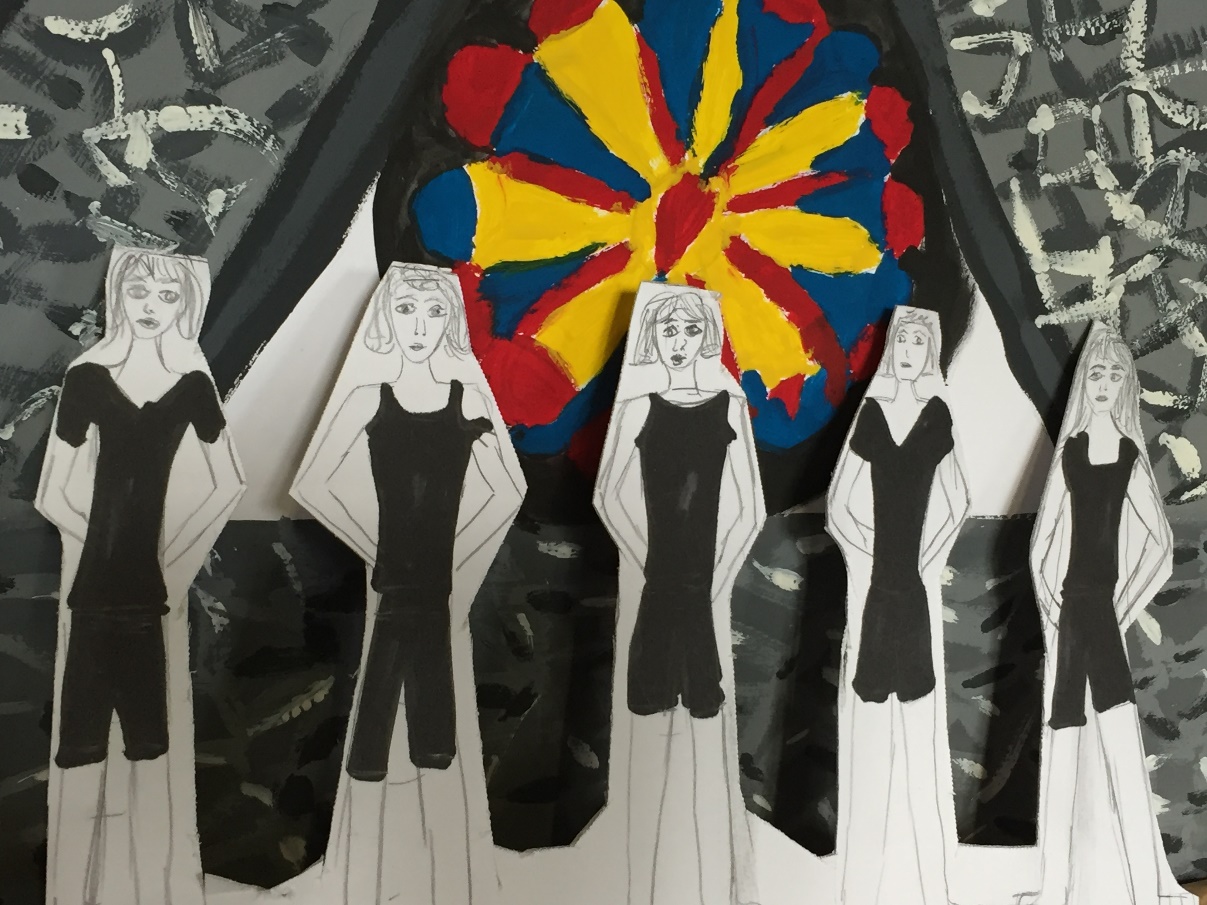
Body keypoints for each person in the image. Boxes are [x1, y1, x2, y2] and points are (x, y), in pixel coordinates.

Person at [291, 262, 525, 905]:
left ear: (450, 321)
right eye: (405, 311)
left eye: (432, 312)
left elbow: (506, 490)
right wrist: (370, 541)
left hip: (439, 580)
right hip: (392, 578)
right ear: (387, 320)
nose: (419, 326)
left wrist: (458, 547)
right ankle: (376, 810)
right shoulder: (371, 396)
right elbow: (315, 482)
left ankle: (432, 807)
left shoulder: (464, 398)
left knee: (430, 676)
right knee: (386, 671)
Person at [36, 247, 245, 905]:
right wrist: (102, 543)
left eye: (167, 295)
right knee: (80, 746)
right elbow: (54, 489)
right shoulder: (88, 377)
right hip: (94, 590)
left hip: (151, 594)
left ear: (187, 306)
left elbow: (227, 482)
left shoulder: (194, 386)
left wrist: (169, 552)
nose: (151, 306)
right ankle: (79, 883)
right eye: (139, 291)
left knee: (150, 747)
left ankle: (145, 881)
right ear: (118, 295)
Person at [594, 286, 763, 905]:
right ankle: (648, 876)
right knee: (650, 721)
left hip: (703, 588)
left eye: (691, 331)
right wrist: (649, 558)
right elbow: (610, 495)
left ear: (707, 336)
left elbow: (748, 507)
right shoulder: (636, 406)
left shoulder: (730, 406)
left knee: (704, 724)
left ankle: (707, 874)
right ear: (652, 335)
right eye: (668, 330)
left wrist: (718, 573)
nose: (679, 342)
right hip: (658, 584)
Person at [1020, 323, 1196, 905]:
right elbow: (1044, 540)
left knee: (1118, 740)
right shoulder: (1070, 451)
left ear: (1125, 386)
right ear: (1085, 383)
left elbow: (1160, 548)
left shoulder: (1126, 454)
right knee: (1065, 739)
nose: (1103, 383)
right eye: (1096, 373)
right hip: (1071, 612)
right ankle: (1056, 887)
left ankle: (1146, 886)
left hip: (1099, 613)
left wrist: (1123, 605)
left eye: (1114, 374)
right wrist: (1051, 599)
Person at [827, 306, 969, 905]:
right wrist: (871, 549)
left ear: (929, 350)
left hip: (913, 586)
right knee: (869, 718)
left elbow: (958, 500)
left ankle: (925, 875)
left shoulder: (937, 413)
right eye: (902, 339)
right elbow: (839, 503)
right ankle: (865, 875)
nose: (909, 349)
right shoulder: (873, 412)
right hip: (876, 585)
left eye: (918, 340)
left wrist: (923, 559)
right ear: (893, 348)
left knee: (917, 718)